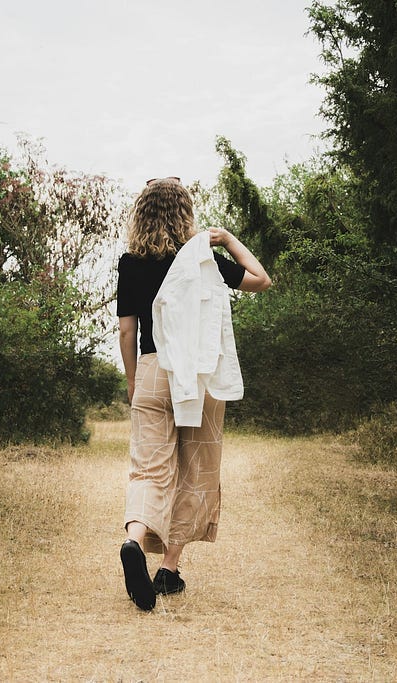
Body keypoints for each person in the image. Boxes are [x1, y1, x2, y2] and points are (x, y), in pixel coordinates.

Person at [116, 176, 271, 611]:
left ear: (141, 214)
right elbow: (261, 279)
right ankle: (168, 569)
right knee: (197, 469)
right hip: (199, 376)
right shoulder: (203, 262)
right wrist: (227, 239)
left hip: (150, 368)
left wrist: (133, 380)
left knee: (149, 470)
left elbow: (127, 329)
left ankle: (133, 541)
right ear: (186, 214)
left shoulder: (130, 262)